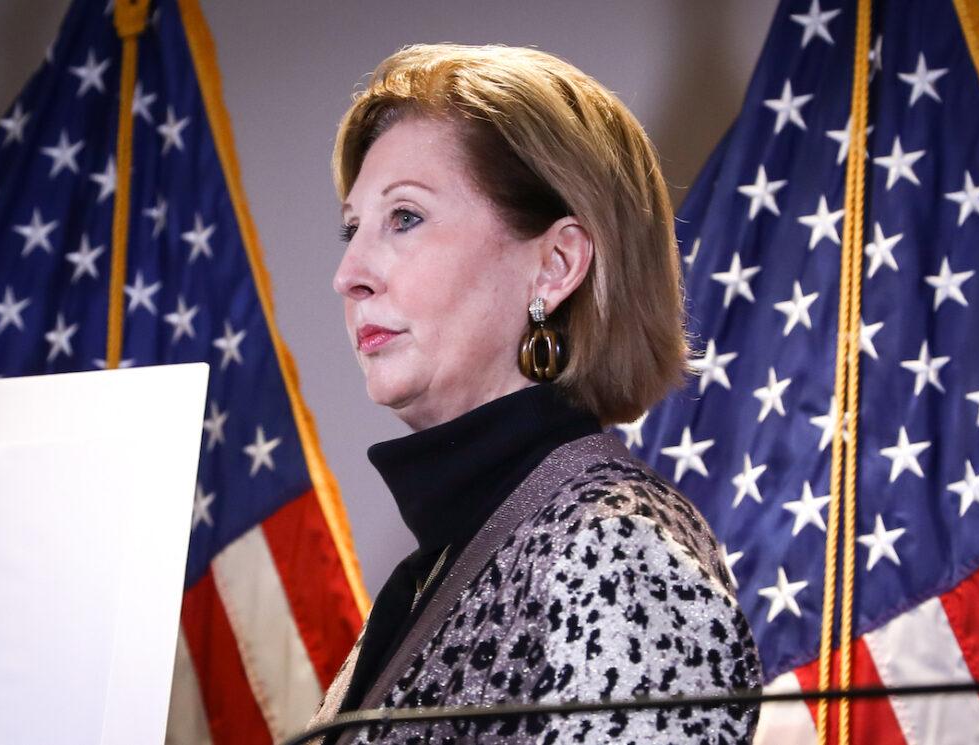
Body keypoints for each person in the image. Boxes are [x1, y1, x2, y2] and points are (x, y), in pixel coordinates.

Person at [310, 43, 762, 744]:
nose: (350, 272)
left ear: (555, 265)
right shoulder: (447, 561)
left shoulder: (616, 552)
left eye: (404, 218)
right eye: (352, 228)